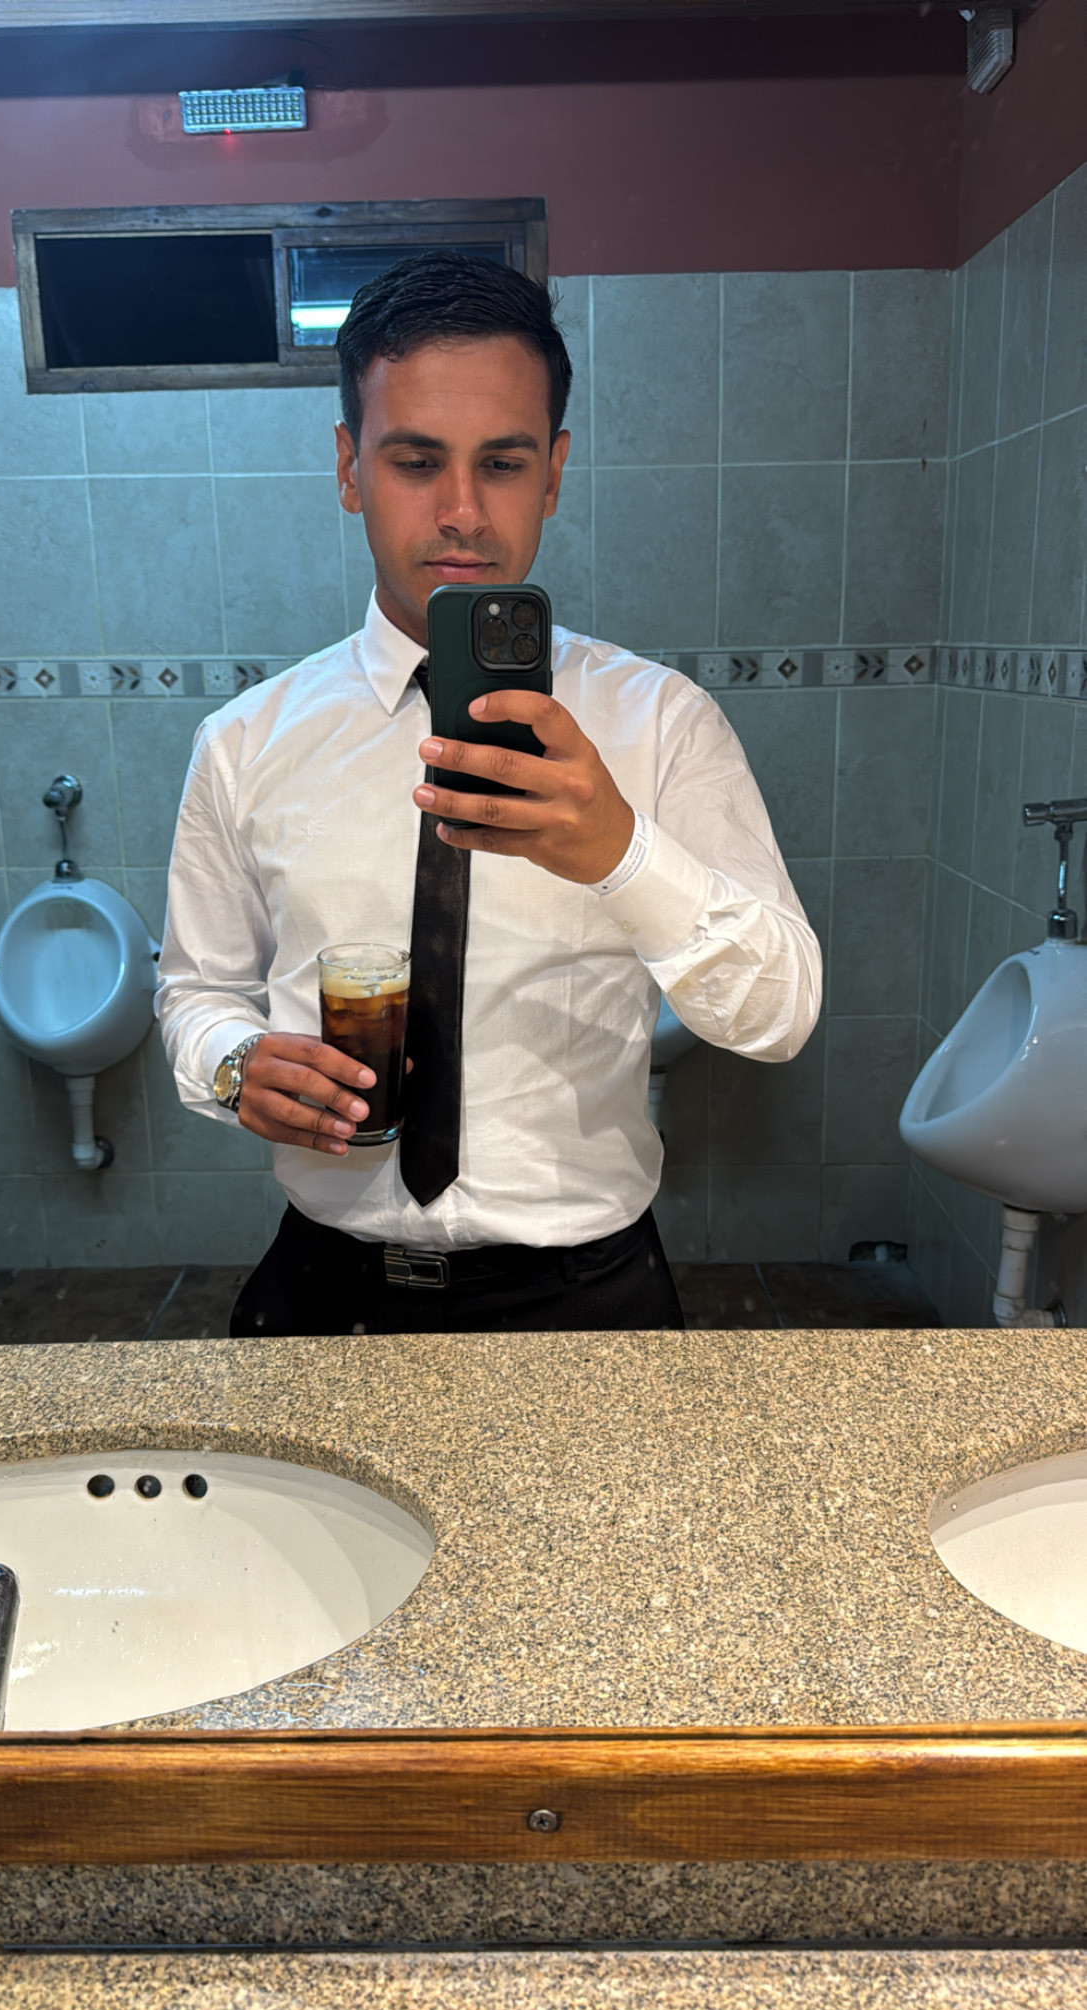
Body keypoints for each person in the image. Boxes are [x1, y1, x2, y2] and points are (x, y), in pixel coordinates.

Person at [156, 253, 822, 1337]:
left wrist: (620, 853)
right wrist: (234, 1067)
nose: (462, 511)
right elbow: (196, 989)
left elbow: (780, 1016)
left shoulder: (663, 723)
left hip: (587, 1301)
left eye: (503, 463)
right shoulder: (244, 743)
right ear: (349, 466)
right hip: (323, 1292)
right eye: (416, 460)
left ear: (552, 474)